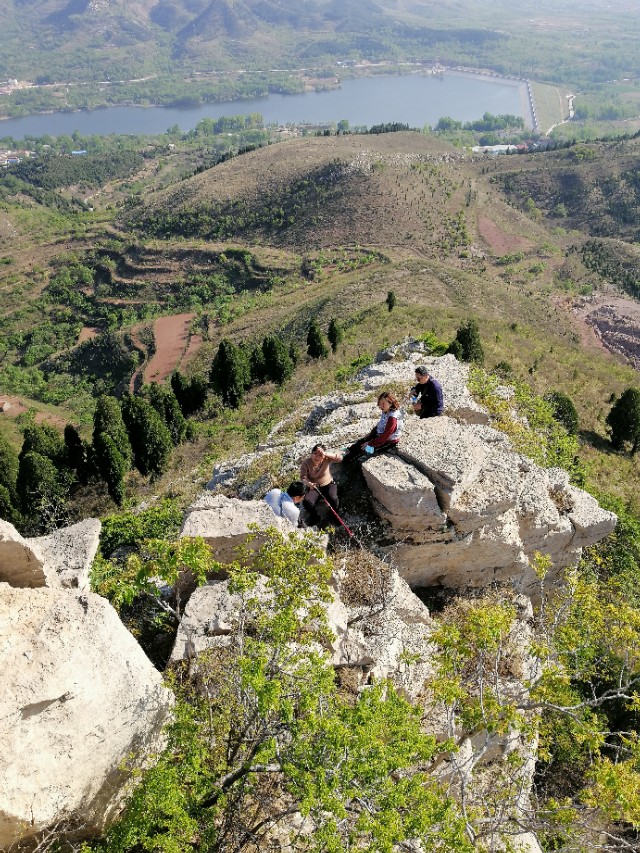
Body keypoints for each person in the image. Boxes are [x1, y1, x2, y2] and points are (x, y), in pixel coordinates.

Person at [342, 391, 403, 464]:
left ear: (390, 402)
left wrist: (370, 443)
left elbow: (385, 436)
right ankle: (348, 450)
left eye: (383, 403)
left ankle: (346, 460)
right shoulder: (386, 410)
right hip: (380, 434)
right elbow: (380, 424)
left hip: (388, 441)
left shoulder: (393, 418)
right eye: (380, 404)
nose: (381, 406)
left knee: (366, 449)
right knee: (362, 441)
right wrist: (371, 434)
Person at [300, 443, 342, 526]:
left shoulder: (326, 458)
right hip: (315, 487)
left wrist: (325, 454)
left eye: (320, 454)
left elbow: (340, 458)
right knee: (307, 502)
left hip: (328, 483)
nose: (317, 456)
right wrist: (309, 484)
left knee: (334, 499)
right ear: (311, 453)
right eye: (315, 453)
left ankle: (334, 515)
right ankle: (316, 516)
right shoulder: (306, 463)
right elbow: (303, 477)